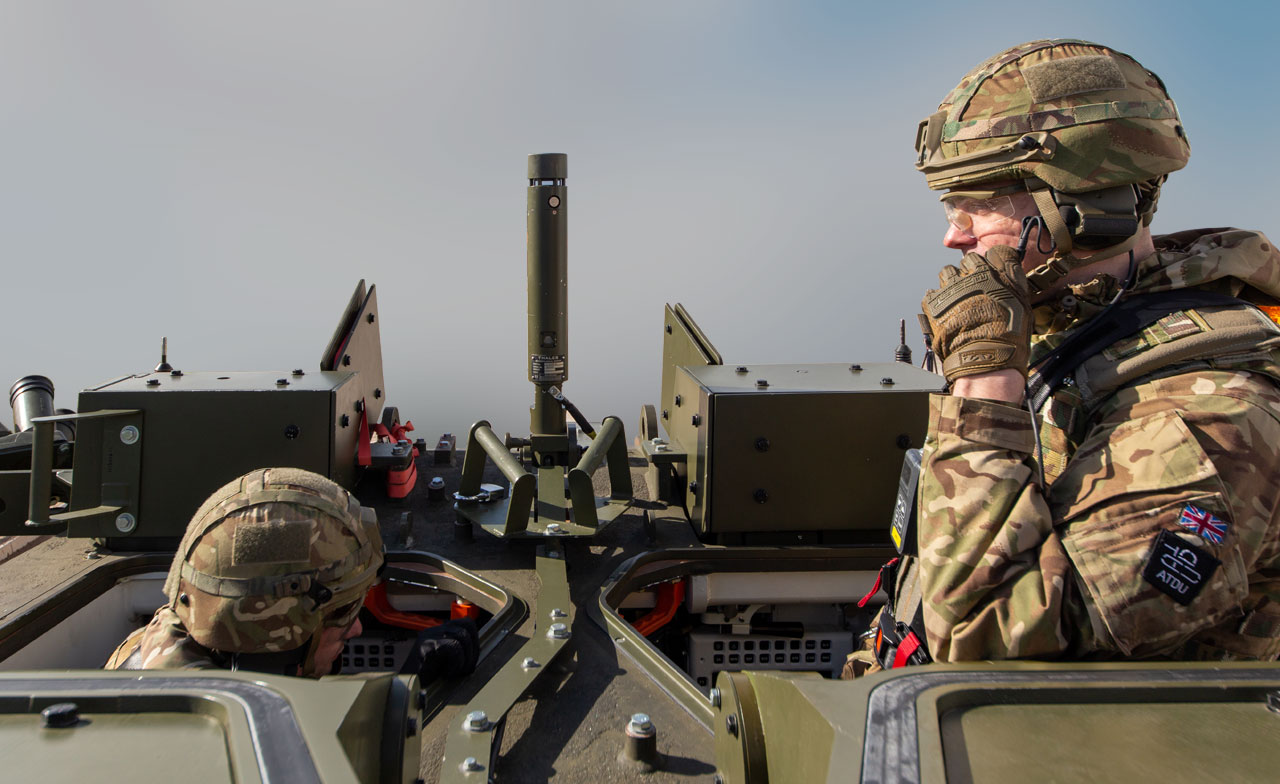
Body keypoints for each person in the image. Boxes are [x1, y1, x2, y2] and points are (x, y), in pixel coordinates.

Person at [862, 39, 1280, 672]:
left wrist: (985, 384)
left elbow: (989, 638)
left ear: (1084, 206)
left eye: (977, 205)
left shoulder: (1215, 414)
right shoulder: (1078, 327)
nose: (954, 236)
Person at [106, 467, 477, 679]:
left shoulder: (172, 645)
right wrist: (402, 698)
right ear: (276, 631)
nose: (358, 628)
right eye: (340, 613)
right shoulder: (198, 737)